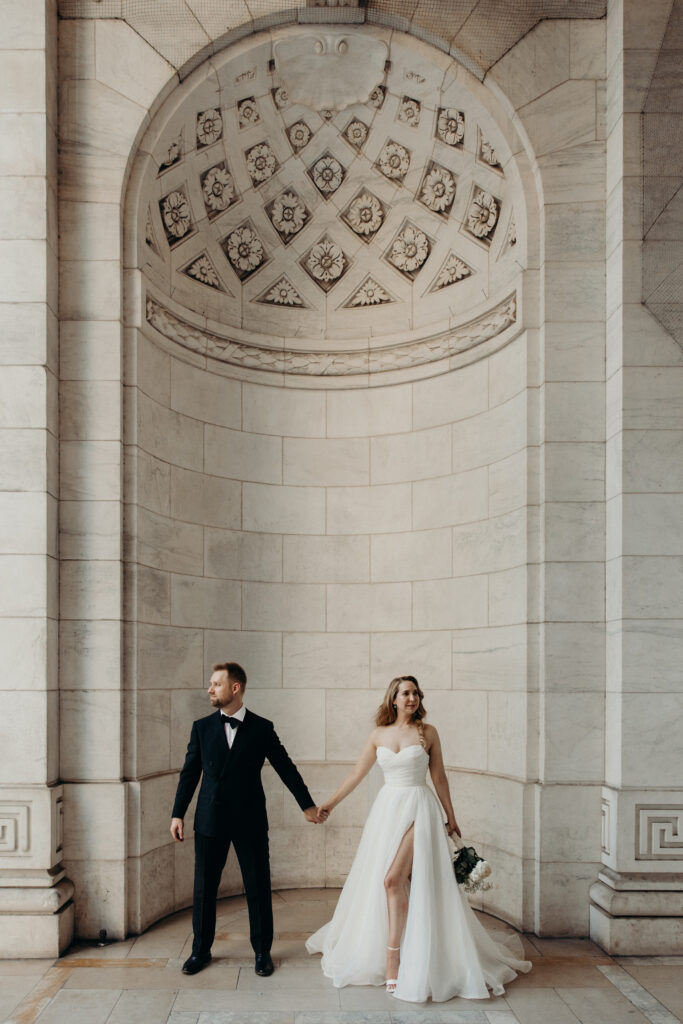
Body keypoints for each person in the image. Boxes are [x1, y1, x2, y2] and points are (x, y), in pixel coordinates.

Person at [306, 674, 531, 1002]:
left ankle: (393, 957)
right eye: (405, 693)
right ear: (393, 699)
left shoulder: (428, 733)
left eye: (415, 693)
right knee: (393, 883)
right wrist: (329, 804)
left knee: (392, 879)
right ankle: (403, 947)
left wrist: (451, 815)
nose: (412, 698)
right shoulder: (378, 735)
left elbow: (438, 777)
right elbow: (357, 774)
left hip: (420, 810)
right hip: (387, 812)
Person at [170, 661, 324, 977]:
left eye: (216, 684)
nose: (210, 689)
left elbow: (286, 767)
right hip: (209, 819)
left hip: (250, 819)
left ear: (235, 688)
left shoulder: (261, 728)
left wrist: (306, 805)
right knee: (204, 888)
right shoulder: (201, 727)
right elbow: (189, 774)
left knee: (257, 886)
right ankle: (200, 951)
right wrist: (177, 813)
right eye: (211, 684)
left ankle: (262, 953)